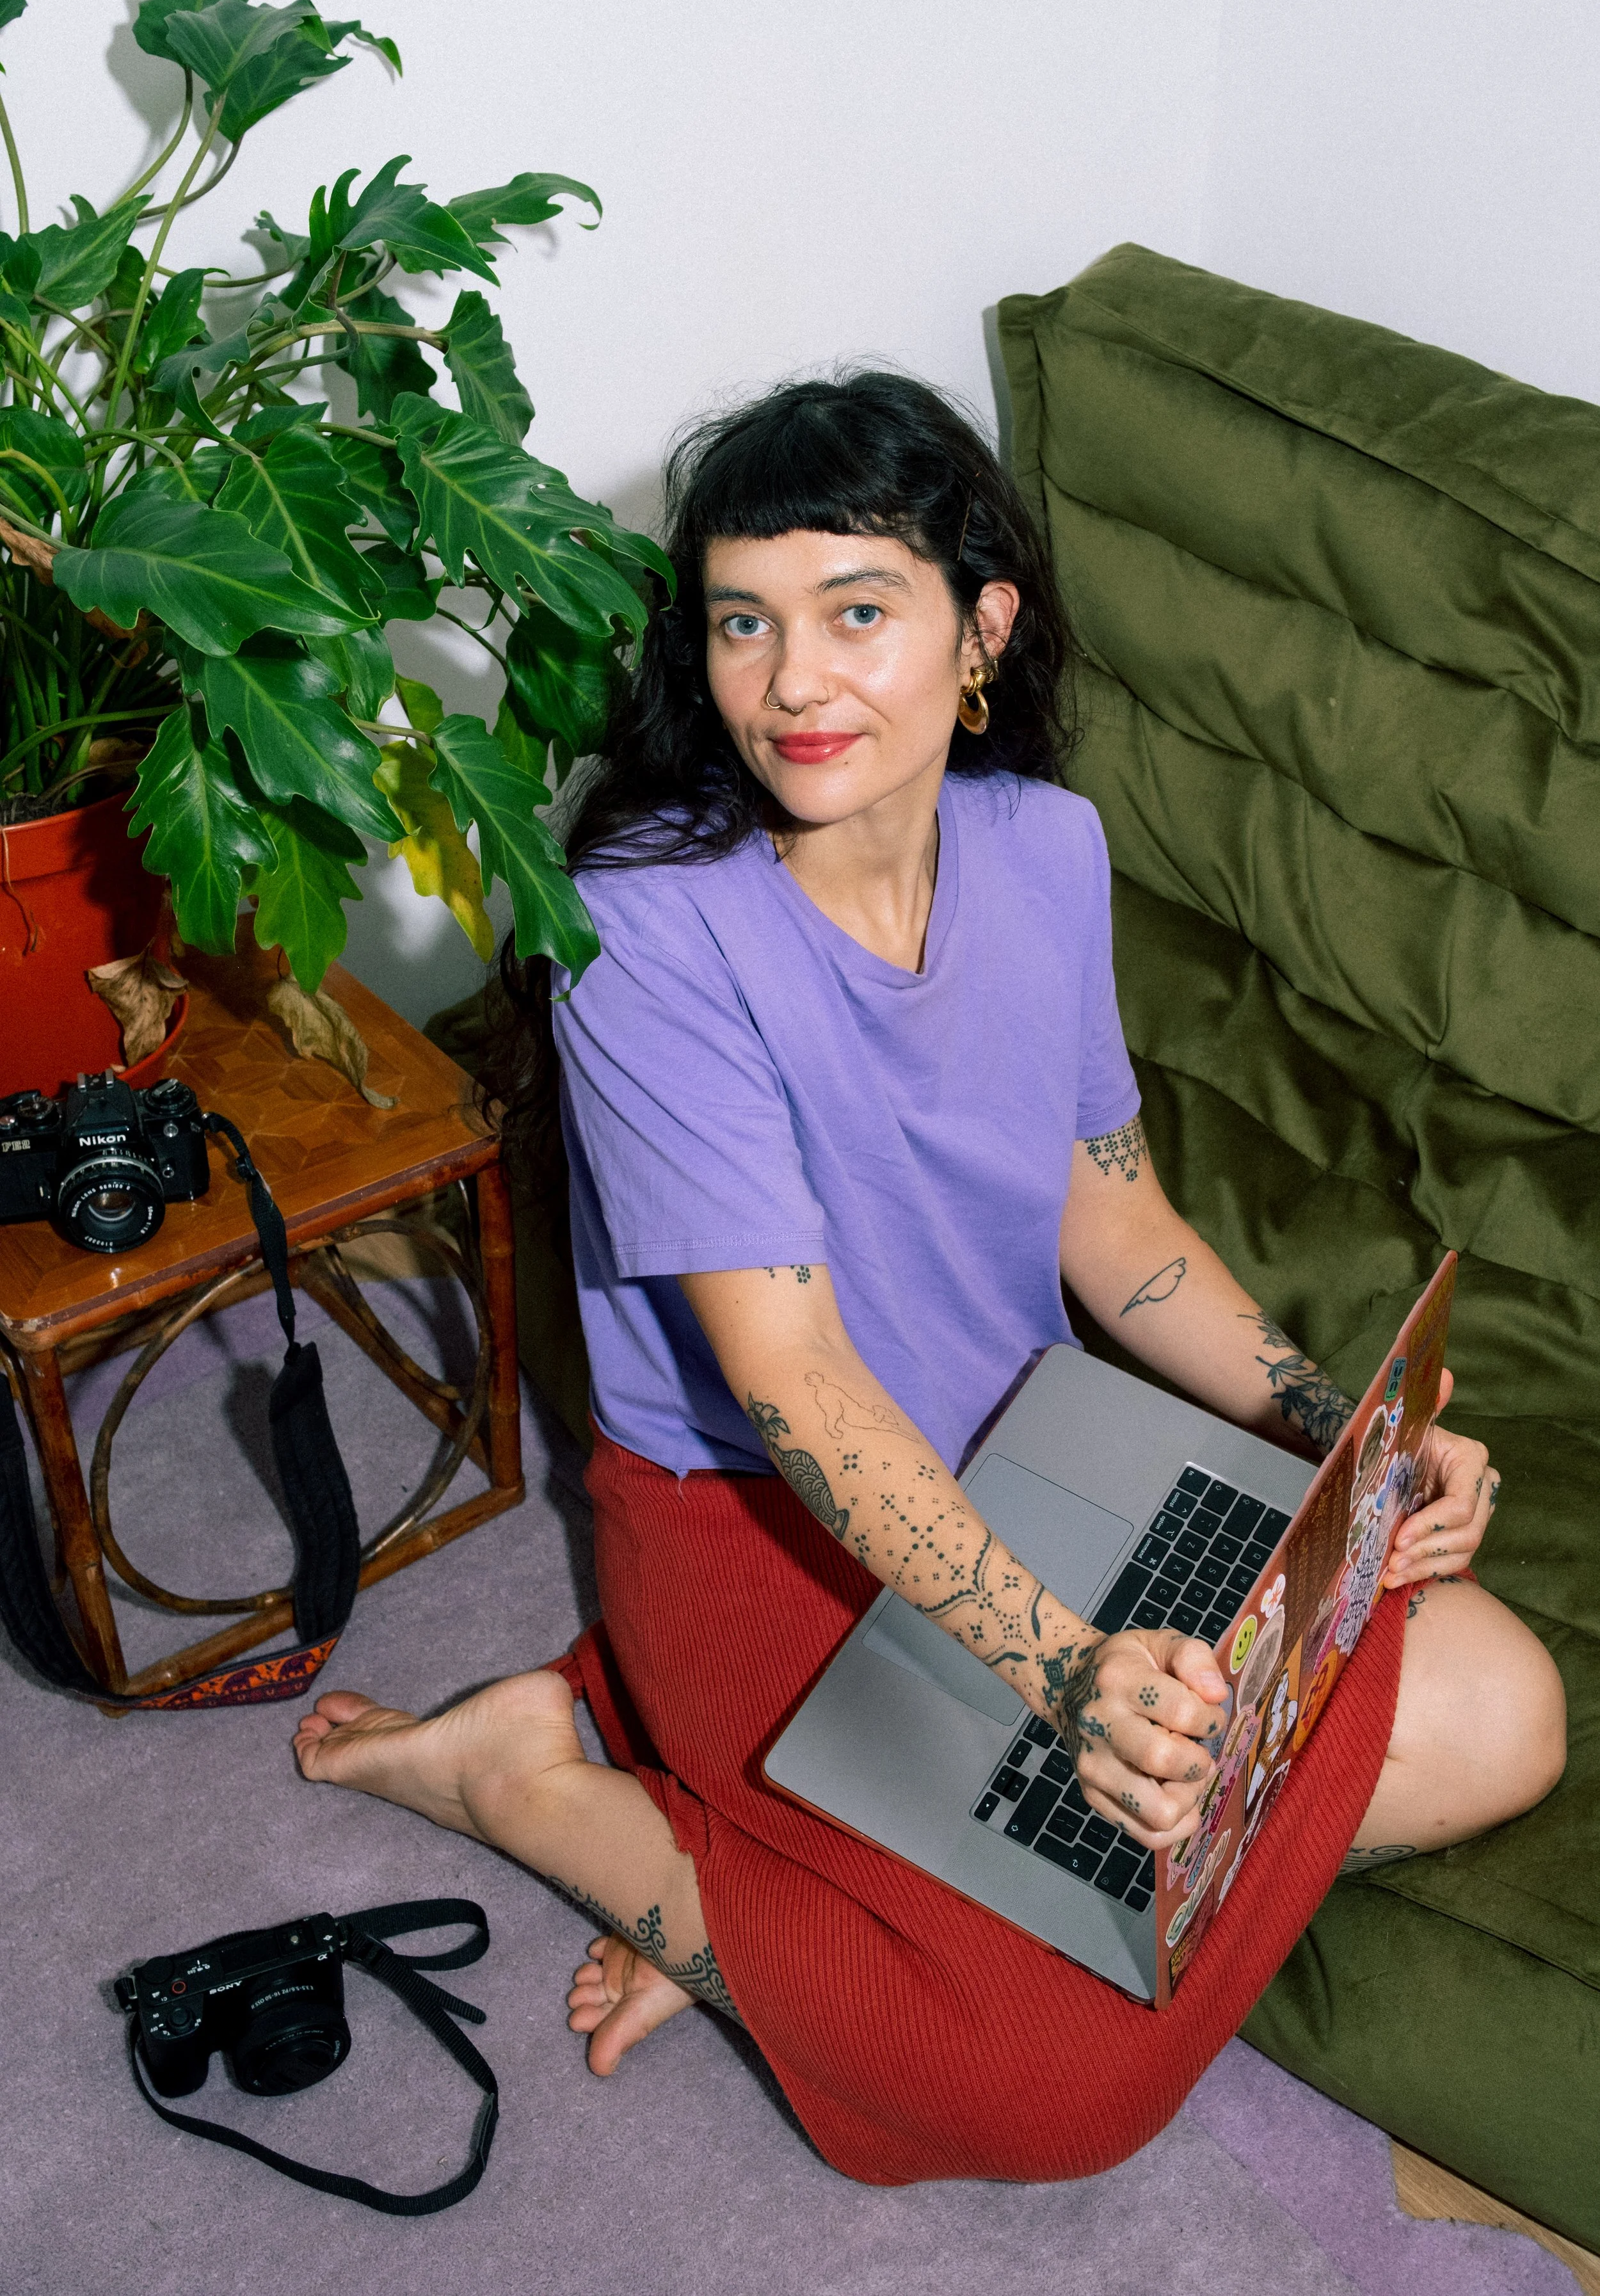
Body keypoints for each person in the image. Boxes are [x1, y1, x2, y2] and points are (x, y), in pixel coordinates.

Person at [294, 373, 1565, 2185]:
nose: (791, 682)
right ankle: (538, 1781)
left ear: (982, 630)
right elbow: (793, 1384)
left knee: (1502, 1712)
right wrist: (1069, 1676)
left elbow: (1112, 1228)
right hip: (751, 1517)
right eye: (744, 621)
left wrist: (1338, 1434)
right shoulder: (640, 924)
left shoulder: (1046, 849)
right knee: (1047, 2090)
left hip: (1033, 1451)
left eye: (856, 611)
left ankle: (769, 1907)